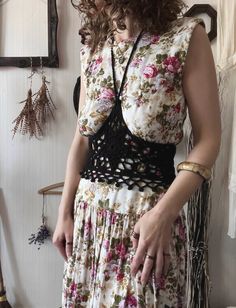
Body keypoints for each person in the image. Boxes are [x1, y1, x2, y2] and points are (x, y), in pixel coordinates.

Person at [53, 0, 221, 307]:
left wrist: (163, 215)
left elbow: (209, 140)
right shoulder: (94, 42)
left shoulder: (185, 37)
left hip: (148, 226)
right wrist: (65, 211)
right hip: (89, 224)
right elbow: (82, 138)